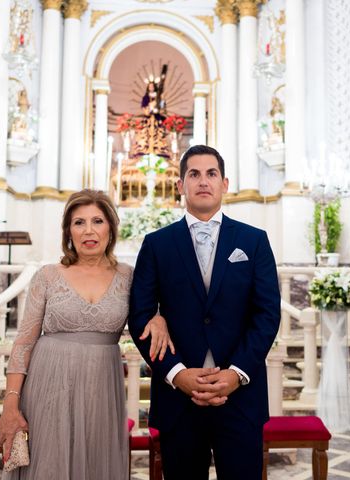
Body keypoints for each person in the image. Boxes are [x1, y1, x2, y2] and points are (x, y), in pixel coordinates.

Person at [0, 189, 173, 480]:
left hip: (101, 387)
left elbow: (146, 314)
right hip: (48, 386)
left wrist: (159, 318)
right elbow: (24, 342)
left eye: (97, 221)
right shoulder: (48, 275)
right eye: (79, 223)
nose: (88, 231)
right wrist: (10, 405)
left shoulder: (130, 276)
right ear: (68, 230)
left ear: (111, 228)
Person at [129, 145, 281, 479]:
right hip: (178, 400)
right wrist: (177, 374)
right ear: (180, 185)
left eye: (211, 173)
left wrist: (236, 373)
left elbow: (267, 314)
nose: (203, 181)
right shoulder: (157, 244)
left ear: (224, 184)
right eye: (193, 174)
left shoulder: (254, 242)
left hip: (240, 398)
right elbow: (140, 314)